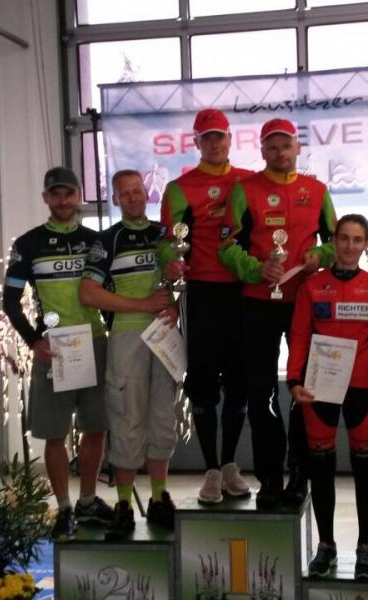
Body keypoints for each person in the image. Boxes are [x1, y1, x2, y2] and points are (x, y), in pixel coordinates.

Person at [219, 117, 337, 508]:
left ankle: (300, 473)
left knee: (305, 389)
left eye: (286, 145)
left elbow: (336, 242)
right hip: (258, 303)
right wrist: (256, 269)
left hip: (305, 303)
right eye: (271, 146)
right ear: (262, 151)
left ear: (298, 148)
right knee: (262, 393)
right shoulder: (245, 189)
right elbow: (226, 246)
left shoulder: (317, 191)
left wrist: (320, 254)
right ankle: (269, 478)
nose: (280, 152)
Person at [3, 166, 113, 540]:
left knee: (96, 427)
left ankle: (88, 501)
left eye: (69, 193)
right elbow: (10, 301)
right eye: (56, 194)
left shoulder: (96, 242)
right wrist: (34, 340)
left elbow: (110, 292)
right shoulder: (28, 243)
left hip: (95, 342)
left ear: (79, 196)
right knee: (55, 433)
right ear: (46, 198)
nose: (63, 200)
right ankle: (64, 508)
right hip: (55, 348)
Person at [287, 214, 368, 580]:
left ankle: (365, 547)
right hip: (320, 387)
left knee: (365, 468)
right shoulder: (312, 286)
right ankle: (326, 546)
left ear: (365, 244)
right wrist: (293, 380)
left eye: (357, 240)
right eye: (344, 238)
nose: (350, 246)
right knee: (321, 469)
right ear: (334, 240)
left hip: (363, 387)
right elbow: (299, 336)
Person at [160, 108, 254, 504]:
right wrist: (170, 260)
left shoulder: (249, 181)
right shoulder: (179, 188)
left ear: (230, 139)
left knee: (239, 384)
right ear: (196, 142)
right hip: (200, 294)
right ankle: (211, 468)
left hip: (243, 294)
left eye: (220, 136)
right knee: (202, 386)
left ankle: (230, 463)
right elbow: (168, 240)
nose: (214, 143)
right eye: (207, 137)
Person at [79, 169, 178, 537]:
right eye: (127, 193)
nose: (135, 197)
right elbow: (88, 293)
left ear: (146, 192)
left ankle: (159, 498)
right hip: (126, 336)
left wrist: (173, 306)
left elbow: (177, 283)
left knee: (162, 417)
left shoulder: (165, 234)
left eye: (138, 190)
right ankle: (123, 504)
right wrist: (143, 304)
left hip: (165, 335)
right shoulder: (107, 240)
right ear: (116, 198)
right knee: (126, 418)